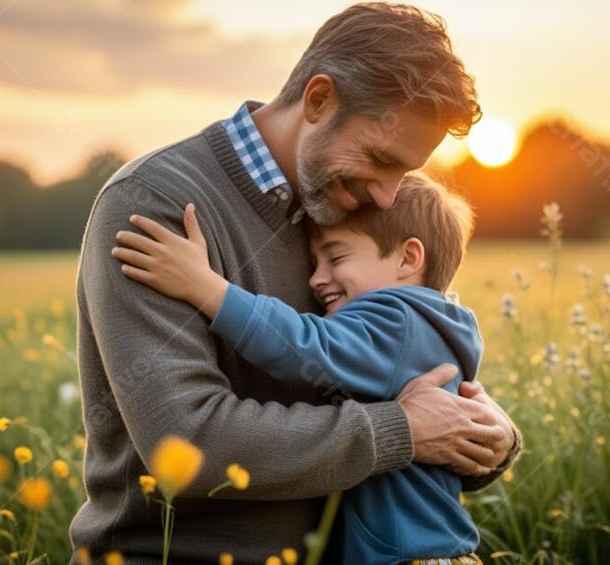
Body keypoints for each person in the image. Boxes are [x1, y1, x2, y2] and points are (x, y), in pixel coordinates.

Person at [71, 3, 521, 562]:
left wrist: (491, 437)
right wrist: (399, 431)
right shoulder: (153, 204)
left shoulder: (346, 209)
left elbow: (412, 373)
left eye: (402, 174)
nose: (386, 196)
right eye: (379, 159)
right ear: (318, 100)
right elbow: (185, 444)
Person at [114, 173, 512, 564]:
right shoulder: (436, 326)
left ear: (408, 258)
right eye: (315, 261)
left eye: (336, 257)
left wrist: (206, 288)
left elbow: (307, 347)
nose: (317, 279)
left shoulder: (397, 320)